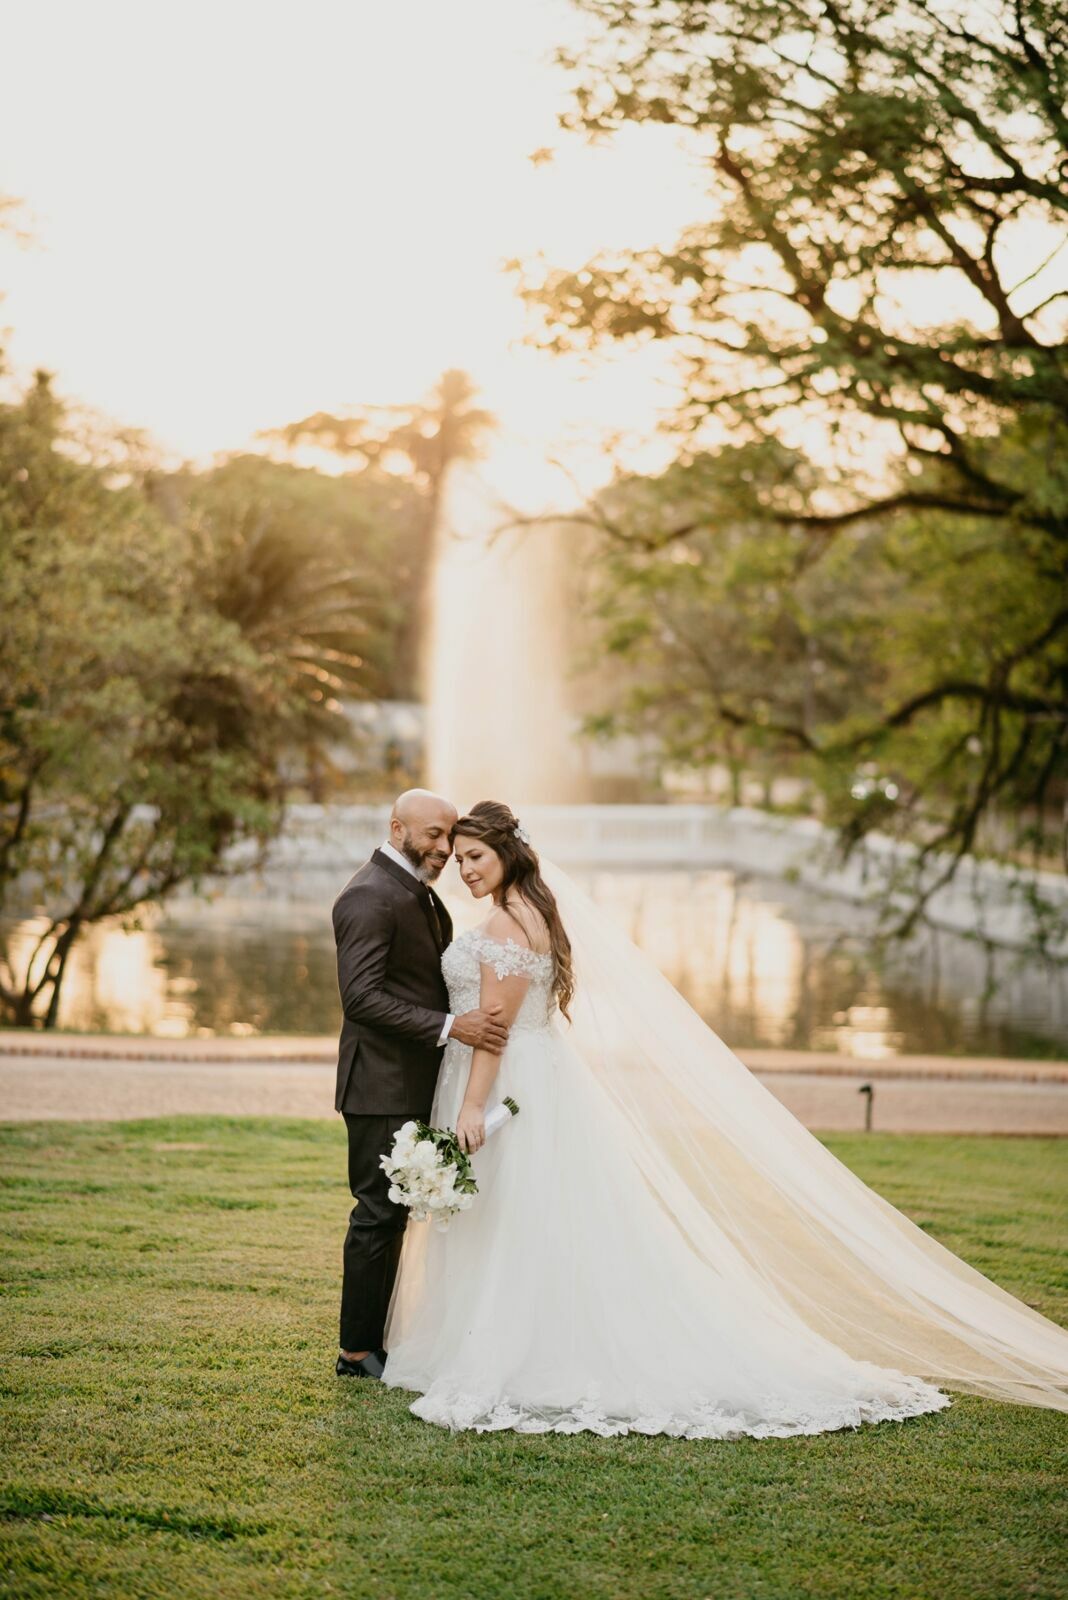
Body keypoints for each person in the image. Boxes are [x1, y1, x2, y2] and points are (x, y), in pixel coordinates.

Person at [375, 800, 1068, 1438]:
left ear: (507, 854)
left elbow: (494, 1028)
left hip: (508, 1082)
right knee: (536, 1217)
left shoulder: (504, 922)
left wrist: (471, 1106)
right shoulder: (536, 912)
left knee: (517, 1216)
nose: (463, 869)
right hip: (541, 1076)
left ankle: (514, 1349)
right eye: (459, 857)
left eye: (475, 857)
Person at [332, 789, 509, 1378]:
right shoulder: (368, 895)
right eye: (432, 834)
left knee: (398, 1213)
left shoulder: (418, 896)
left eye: (449, 837)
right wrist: (452, 1026)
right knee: (376, 1215)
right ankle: (356, 1352)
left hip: (413, 1079)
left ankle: (378, 1342)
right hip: (379, 1084)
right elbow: (361, 999)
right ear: (397, 826)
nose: (443, 848)